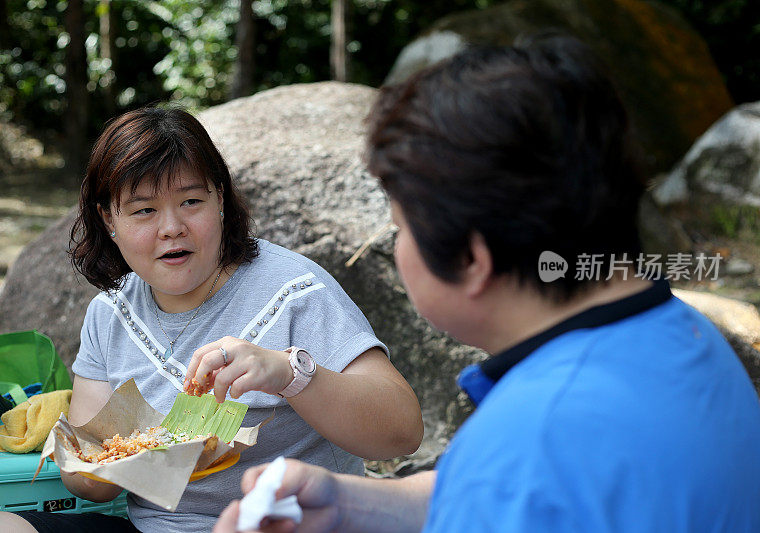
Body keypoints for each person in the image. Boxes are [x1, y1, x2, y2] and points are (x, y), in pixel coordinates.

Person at [213, 35, 760, 533]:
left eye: (401, 228)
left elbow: (516, 482)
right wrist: (351, 505)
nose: (398, 247)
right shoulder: (683, 336)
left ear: (473, 259)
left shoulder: (532, 439)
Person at [0, 108, 422, 533]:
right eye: (143, 210)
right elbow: (89, 486)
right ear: (108, 220)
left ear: (220, 199)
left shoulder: (293, 291)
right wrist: (105, 460)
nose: (171, 227)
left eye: (191, 202)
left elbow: (402, 432)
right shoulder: (110, 313)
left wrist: (290, 375)